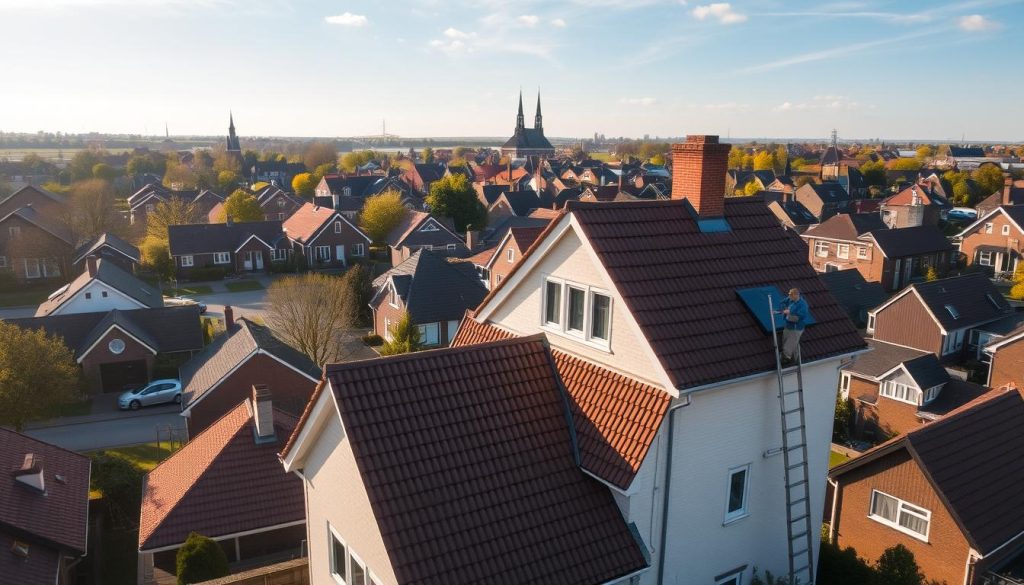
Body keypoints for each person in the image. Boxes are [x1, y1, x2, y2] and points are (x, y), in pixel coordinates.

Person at [779, 287, 808, 365]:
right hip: (788, 326)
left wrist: (788, 314)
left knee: (788, 346)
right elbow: (782, 303)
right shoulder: (789, 300)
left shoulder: (802, 304)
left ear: (796, 295)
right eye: (789, 295)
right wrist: (784, 309)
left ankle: (785, 359)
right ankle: (795, 359)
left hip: (796, 328)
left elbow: (800, 317)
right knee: (788, 343)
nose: (790, 296)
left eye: (791, 295)